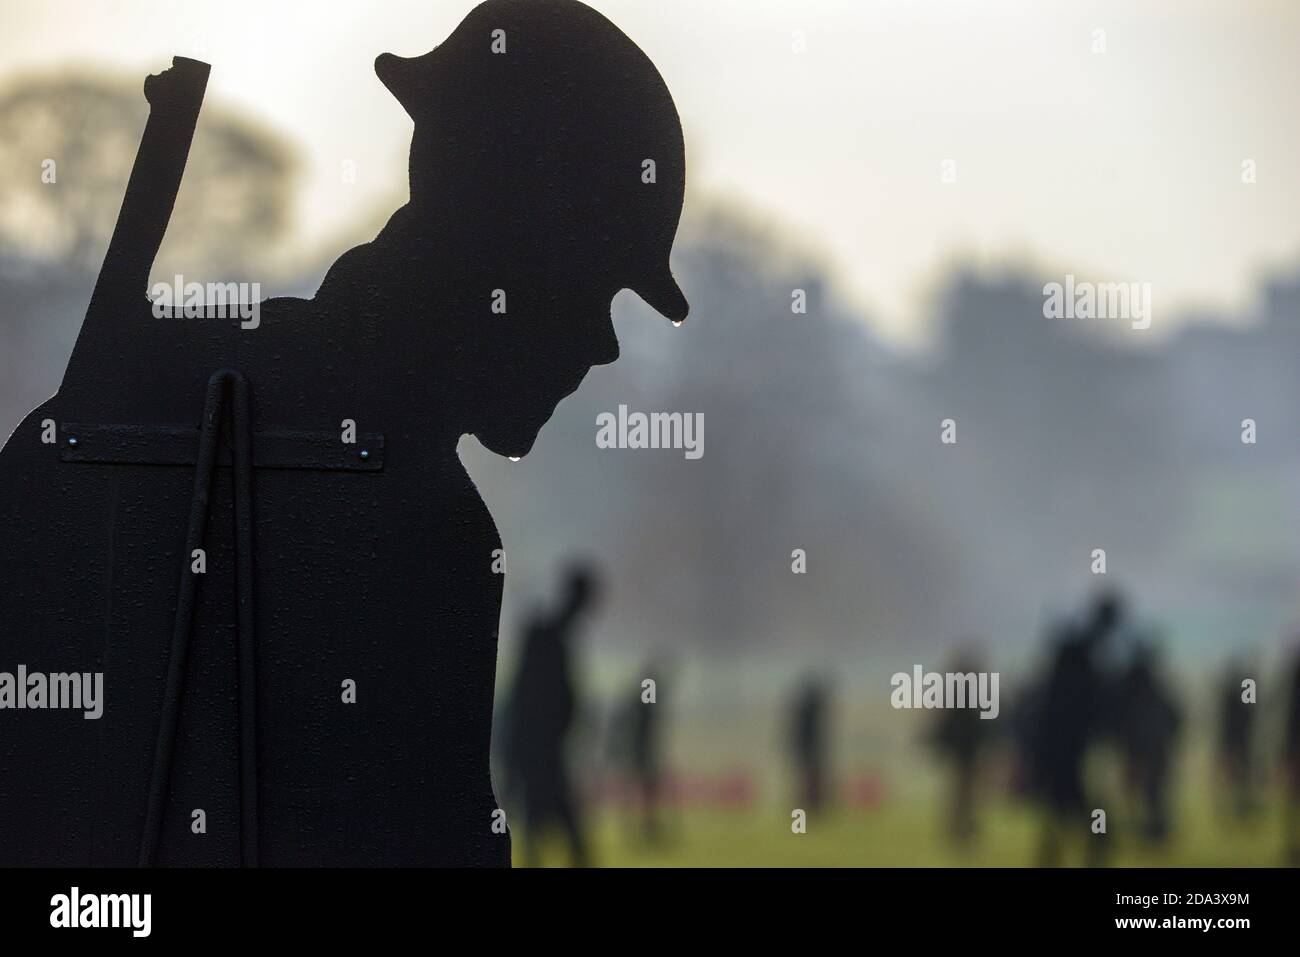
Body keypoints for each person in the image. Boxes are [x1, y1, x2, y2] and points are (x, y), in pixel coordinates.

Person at [0, 0, 687, 866]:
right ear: (503, 243)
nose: (603, 341)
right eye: (592, 282)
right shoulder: (432, 532)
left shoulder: (93, 428)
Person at [504, 565, 601, 867]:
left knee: (542, 829)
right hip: (539, 753)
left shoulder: (548, 634)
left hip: (541, 752)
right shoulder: (546, 636)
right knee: (562, 834)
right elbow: (528, 699)